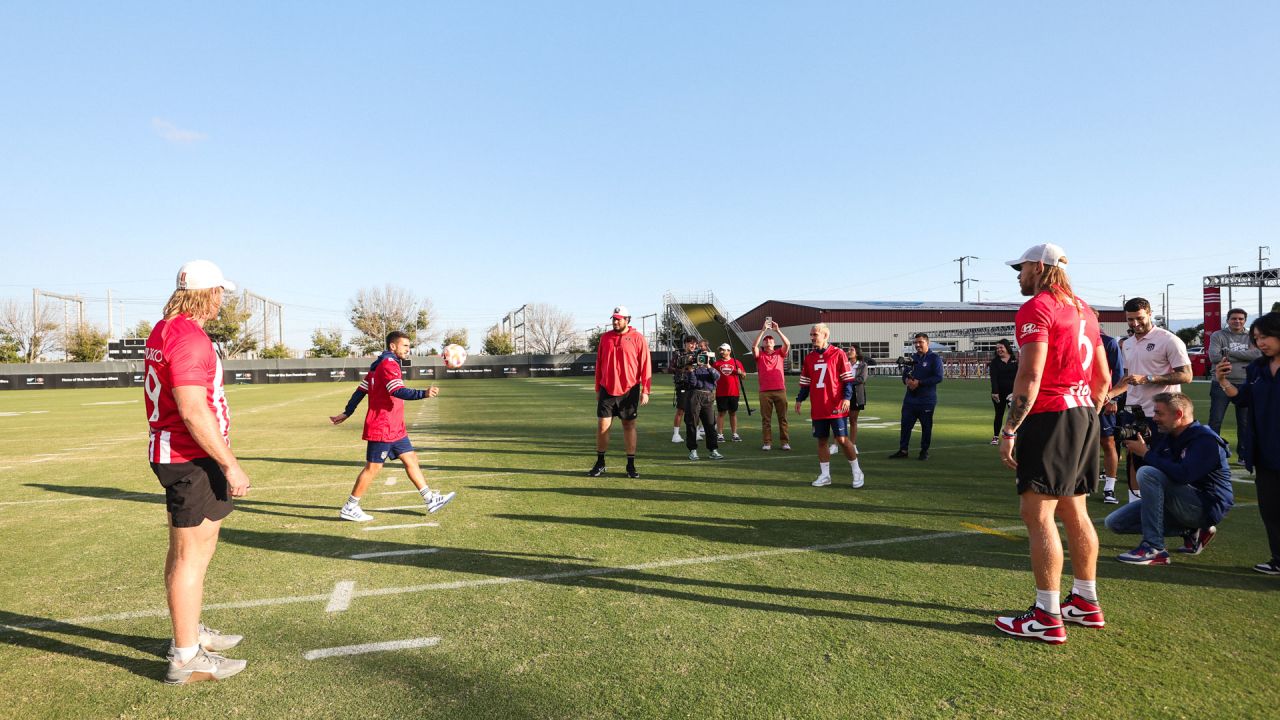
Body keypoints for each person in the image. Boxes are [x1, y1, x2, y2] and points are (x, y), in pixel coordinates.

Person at [994, 243, 1110, 645]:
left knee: (1037, 515)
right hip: (1083, 414)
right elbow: (1103, 380)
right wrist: (1085, 414)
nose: (1018, 275)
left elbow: (1030, 373)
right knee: (1075, 510)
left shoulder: (1038, 307)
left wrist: (1010, 429)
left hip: (1051, 415)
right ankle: (1085, 602)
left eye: (1022, 268)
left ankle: (1046, 614)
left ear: (1039, 267)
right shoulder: (1085, 309)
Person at [145, 260, 250, 684]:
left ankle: (190, 633)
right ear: (207, 293)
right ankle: (186, 657)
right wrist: (230, 463)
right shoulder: (189, 338)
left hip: (180, 454)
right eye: (220, 292)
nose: (222, 300)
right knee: (192, 557)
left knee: (190, 554)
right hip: (191, 458)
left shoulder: (164, 328)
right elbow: (192, 410)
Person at [329, 331, 456, 521]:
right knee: (373, 468)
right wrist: (424, 394)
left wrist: (347, 412)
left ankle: (430, 499)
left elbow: (360, 391)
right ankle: (350, 506)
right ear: (393, 346)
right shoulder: (389, 364)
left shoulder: (377, 365)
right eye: (405, 345)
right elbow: (396, 390)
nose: (408, 349)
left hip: (394, 427)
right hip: (383, 426)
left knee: (411, 458)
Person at [1102, 393, 1233, 565]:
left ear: (1178, 414)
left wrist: (1147, 453)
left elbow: (1184, 475)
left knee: (1148, 474)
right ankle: (1190, 530)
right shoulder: (1171, 436)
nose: (1154, 419)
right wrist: (1141, 450)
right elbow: (1156, 469)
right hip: (1182, 502)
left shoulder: (1205, 439)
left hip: (1206, 505)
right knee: (1115, 523)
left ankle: (1154, 548)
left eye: (1159, 413)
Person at [1111, 297, 1192, 502]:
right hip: (1134, 410)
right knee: (1133, 455)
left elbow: (1186, 375)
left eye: (1139, 318)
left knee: (1161, 460)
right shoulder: (1127, 344)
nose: (1135, 323)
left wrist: (1149, 378)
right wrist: (1109, 395)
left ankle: (1174, 506)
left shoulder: (1169, 339)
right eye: (1130, 319)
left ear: (1149, 313)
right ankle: (1135, 502)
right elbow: (1128, 379)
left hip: (1162, 413)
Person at [1217, 311, 1280, 575]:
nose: (1260, 343)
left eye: (1265, 336)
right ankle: (1277, 559)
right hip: (1265, 451)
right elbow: (1243, 399)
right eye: (1256, 338)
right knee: (1271, 510)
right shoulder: (1257, 368)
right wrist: (1222, 381)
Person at [795, 323, 864, 488]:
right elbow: (806, 383)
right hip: (818, 406)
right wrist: (799, 399)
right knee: (821, 440)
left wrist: (847, 398)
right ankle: (825, 475)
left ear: (825, 335)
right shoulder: (809, 357)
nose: (812, 338)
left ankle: (857, 471)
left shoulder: (838, 354)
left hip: (836, 404)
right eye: (811, 334)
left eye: (815, 334)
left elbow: (847, 380)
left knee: (841, 439)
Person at [588, 305, 652, 478]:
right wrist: (597, 388)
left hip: (630, 390)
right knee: (602, 426)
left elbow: (645, 365)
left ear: (627, 319)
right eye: (614, 319)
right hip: (606, 389)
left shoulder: (638, 338)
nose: (615, 322)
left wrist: (645, 390)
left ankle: (630, 465)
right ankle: (600, 463)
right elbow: (599, 363)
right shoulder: (605, 338)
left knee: (629, 425)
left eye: (619, 319)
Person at [1208, 308, 1259, 462]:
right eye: (1234, 318)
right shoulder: (1218, 335)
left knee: (1244, 422)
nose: (1237, 321)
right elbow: (1214, 357)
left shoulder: (1251, 336)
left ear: (1245, 320)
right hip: (1221, 382)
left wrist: (1227, 352)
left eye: (1241, 319)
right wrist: (1244, 356)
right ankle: (1212, 453)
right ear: (1227, 320)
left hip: (1245, 383)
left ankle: (1243, 456)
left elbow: (1256, 355)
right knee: (1216, 420)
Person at [889, 333, 943, 460]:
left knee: (926, 427)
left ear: (927, 343)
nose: (917, 345)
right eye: (916, 343)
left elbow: (938, 377)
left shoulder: (934, 358)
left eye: (920, 342)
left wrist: (920, 382)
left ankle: (924, 451)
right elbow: (905, 375)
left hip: (926, 400)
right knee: (905, 425)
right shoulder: (912, 358)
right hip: (910, 399)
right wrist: (907, 382)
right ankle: (903, 450)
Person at [1098, 316, 1125, 504]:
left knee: (1108, 442)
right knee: (1082, 445)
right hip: (1079, 401)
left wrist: (1113, 397)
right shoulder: (1073, 339)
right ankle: (1084, 482)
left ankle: (1109, 488)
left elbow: (1118, 372)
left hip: (1104, 399)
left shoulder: (1108, 343)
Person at [753, 321, 791, 451]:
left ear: (774, 343)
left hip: (780, 390)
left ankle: (785, 442)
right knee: (766, 419)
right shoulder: (760, 355)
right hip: (765, 391)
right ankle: (767, 442)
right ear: (763, 344)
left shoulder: (779, 353)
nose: (768, 341)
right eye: (766, 340)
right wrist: (763, 330)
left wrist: (777, 331)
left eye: (770, 340)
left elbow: (788, 344)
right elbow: (754, 347)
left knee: (783, 418)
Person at [681, 349, 724, 460]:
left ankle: (713, 450)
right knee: (691, 423)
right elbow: (692, 383)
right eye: (700, 356)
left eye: (704, 356)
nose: (702, 359)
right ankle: (693, 450)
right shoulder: (692, 368)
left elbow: (717, 377)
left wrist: (708, 365)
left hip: (708, 396)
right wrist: (691, 370)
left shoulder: (710, 368)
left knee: (710, 424)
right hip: (695, 395)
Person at [712, 343, 746, 442]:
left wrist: (741, 373)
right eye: (720, 350)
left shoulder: (737, 362)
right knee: (721, 413)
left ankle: (734, 434)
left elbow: (744, 376)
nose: (721, 352)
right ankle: (720, 434)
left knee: (733, 413)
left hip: (734, 392)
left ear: (729, 351)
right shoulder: (717, 364)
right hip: (721, 392)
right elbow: (712, 377)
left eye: (723, 350)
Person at [669, 335, 699, 443]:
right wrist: (682, 368)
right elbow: (670, 368)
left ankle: (696, 433)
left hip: (695, 385)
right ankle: (676, 434)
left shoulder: (697, 354)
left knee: (696, 410)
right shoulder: (678, 354)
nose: (693, 345)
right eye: (691, 343)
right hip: (682, 385)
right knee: (681, 410)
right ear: (685, 343)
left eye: (695, 344)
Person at [988, 339, 1018, 445]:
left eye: (1001, 347)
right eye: (997, 348)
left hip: (1013, 393)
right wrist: (995, 392)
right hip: (999, 393)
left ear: (1007, 347)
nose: (999, 350)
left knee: (1014, 415)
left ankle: (1013, 434)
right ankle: (996, 437)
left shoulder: (1015, 360)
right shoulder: (995, 362)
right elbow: (994, 378)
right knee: (999, 414)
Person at [846, 344, 870, 450]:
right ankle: (835, 445)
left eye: (851, 350)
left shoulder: (862, 365)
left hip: (856, 395)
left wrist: (847, 382)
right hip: (843, 395)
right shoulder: (844, 363)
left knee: (853, 420)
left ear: (857, 352)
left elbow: (862, 379)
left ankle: (852, 445)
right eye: (848, 350)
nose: (849, 351)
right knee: (838, 420)